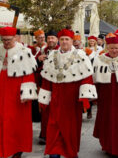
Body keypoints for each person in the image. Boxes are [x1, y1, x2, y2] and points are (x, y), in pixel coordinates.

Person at [0, 26, 38, 158]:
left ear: (15, 38)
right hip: (0, 92)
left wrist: (27, 94)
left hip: (18, 93)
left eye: (9, 40)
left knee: (17, 124)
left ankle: (17, 149)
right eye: (4, 40)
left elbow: (29, 74)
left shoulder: (24, 51)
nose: (6, 42)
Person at [38, 28, 96, 158]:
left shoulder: (81, 56)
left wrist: (85, 98)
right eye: (62, 39)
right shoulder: (52, 56)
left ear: (71, 41)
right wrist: (44, 99)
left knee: (70, 131)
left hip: (72, 101)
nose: (64, 42)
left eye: (67, 39)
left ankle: (71, 153)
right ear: (59, 40)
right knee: (53, 128)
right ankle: (54, 153)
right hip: (56, 100)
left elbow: (87, 77)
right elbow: (47, 79)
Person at [37, 30, 59, 145]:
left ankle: (56, 135)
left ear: (57, 39)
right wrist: (38, 60)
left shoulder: (61, 50)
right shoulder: (43, 51)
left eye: (53, 38)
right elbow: (34, 66)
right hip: (44, 85)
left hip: (57, 85)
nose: (51, 40)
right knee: (45, 110)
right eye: (49, 38)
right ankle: (44, 134)